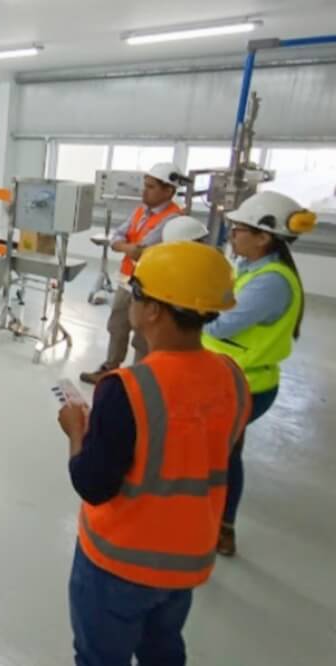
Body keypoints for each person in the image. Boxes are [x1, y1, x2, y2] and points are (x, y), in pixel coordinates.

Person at [58, 241, 250, 666]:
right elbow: (215, 451)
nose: (131, 299)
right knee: (163, 649)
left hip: (120, 562)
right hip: (186, 559)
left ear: (154, 311)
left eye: (136, 291)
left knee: (99, 657)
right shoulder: (232, 377)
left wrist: (76, 432)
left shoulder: (126, 388)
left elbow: (92, 483)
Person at [203, 191, 317, 556]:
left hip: (246, 384)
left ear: (263, 236)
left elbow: (222, 325)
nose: (232, 235)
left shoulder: (271, 282)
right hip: (230, 377)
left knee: (221, 457)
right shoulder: (251, 268)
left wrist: (186, 311)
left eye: (238, 229)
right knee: (223, 452)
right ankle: (217, 523)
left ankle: (221, 528)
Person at [80, 163, 185, 384]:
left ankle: (140, 380)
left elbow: (142, 249)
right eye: (145, 185)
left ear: (168, 191)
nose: (144, 191)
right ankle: (110, 368)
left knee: (143, 336)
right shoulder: (140, 211)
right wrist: (127, 246)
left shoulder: (173, 218)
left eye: (151, 187)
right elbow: (118, 236)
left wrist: (127, 246)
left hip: (150, 287)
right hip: (127, 280)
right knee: (116, 326)